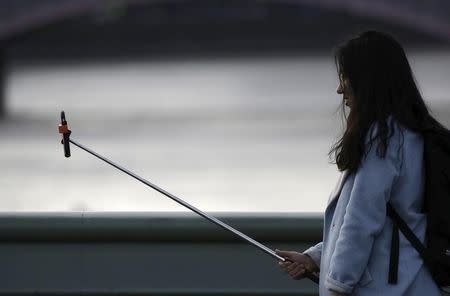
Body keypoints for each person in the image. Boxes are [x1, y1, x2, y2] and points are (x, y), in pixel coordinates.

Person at [276, 31, 445, 295]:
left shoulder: (383, 138)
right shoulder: (414, 133)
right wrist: (315, 258)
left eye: (345, 76)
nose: (339, 87)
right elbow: (397, 223)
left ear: (367, 80)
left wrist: (336, 286)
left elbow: (361, 220)